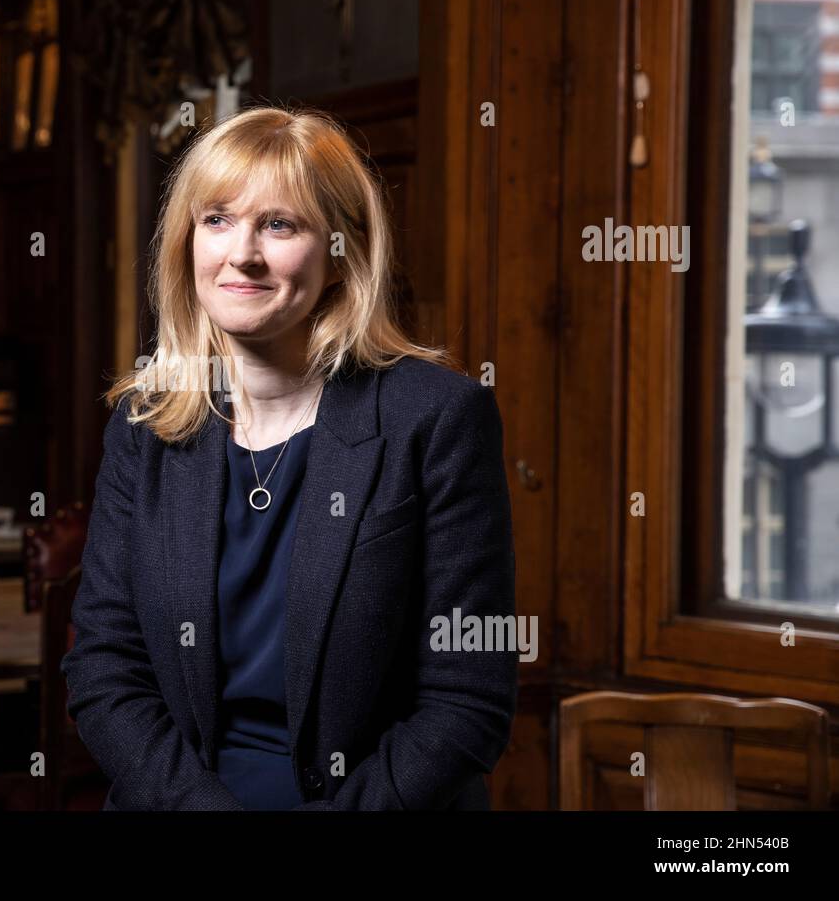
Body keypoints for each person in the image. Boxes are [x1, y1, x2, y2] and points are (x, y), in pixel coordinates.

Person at [59, 105, 519, 810]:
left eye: (279, 224)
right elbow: (104, 668)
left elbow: (468, 697)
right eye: (215, 219)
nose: (240, 253)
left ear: (342, 254)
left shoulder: (435, 418)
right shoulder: (144, 424)